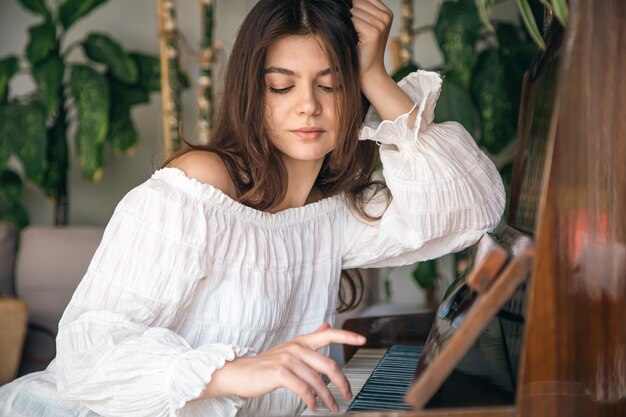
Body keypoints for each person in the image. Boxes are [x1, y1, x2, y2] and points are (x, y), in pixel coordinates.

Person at [0, 0, 505, 416]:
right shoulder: (200, 188)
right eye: (281, 85)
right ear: (251, 93)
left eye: (330, 84)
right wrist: (231, 372)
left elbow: (470, 210)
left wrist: (374, 74)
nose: (307, 105)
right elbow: (88, 353)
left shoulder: (332, 211)